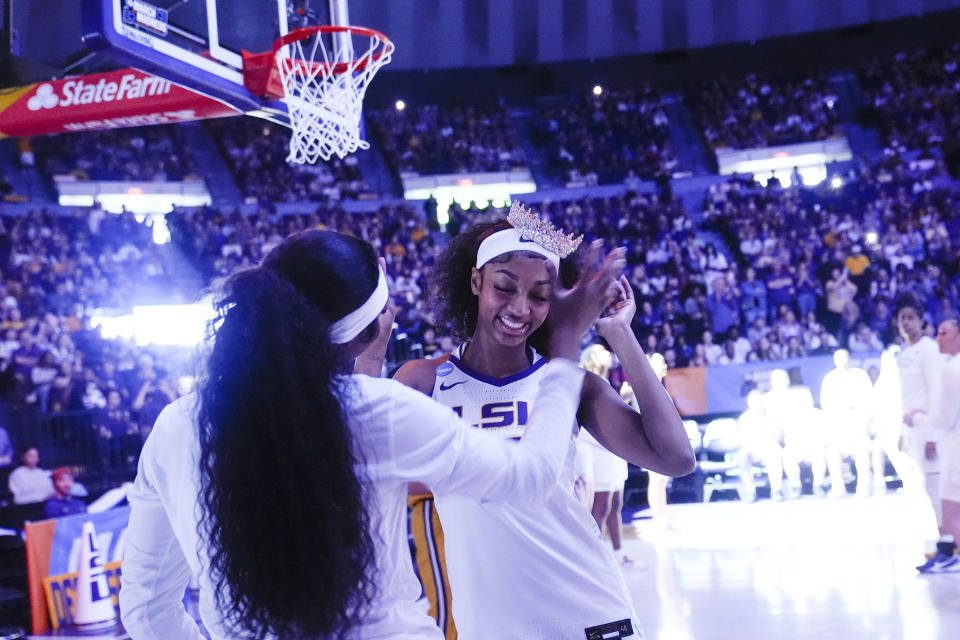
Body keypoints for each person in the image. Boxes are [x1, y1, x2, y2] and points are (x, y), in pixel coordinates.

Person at [118, 229, 619, 640]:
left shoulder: (173, 427)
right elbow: (528, 478)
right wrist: (565, 346)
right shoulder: (375, 410)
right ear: (362, 335)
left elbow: (147, 612)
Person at [396, 205, 695, 640]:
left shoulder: (571, 384)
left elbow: (676, 457)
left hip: (590, 615)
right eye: (504, 287)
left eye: (539, 296)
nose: (520, 307)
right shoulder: (423, 381)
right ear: (476, 282)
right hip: (493, 629)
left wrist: (619, 334)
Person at [909, 316, 960, 573]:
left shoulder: (951, 370)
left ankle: (951, 553)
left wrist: (916, 417)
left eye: (944, 333)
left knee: (950, 512)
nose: (939, 337)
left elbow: (942, 419)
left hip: (955, 450)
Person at [577, 344, 633, 566]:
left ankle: (618, 554)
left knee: (614, 504)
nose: (608, 354)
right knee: (599, 508)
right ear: (591, 358)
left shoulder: (606, 383)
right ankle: (593, 559)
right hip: (596, 452)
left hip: (612, 452)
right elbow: (591, 426)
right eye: (601, 351)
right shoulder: (587, 384)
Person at [896, 302, 944, 533]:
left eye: (910, 317)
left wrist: (933, 435)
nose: (906, 322)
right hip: (912, 430)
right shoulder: (904, 352)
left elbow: (936, 392)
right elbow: (906, 397)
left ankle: (951, 548)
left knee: (938, 490)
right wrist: (901, 432)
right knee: (926, 491)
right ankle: (946, 543)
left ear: (921, 321)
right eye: (901, 318)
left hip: (929, 429)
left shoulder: (928, 349)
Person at [820, 349, 874, 497]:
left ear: (849, 359)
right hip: (839, 425)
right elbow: (826, 404)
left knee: (862, 450)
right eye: (838, 358)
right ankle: (838, 487)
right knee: (832, 450)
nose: (841, 360)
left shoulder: (860, 375)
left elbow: (868, 399)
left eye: (844, 357)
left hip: (859, 424)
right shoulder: (830, 378)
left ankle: (864, 486)